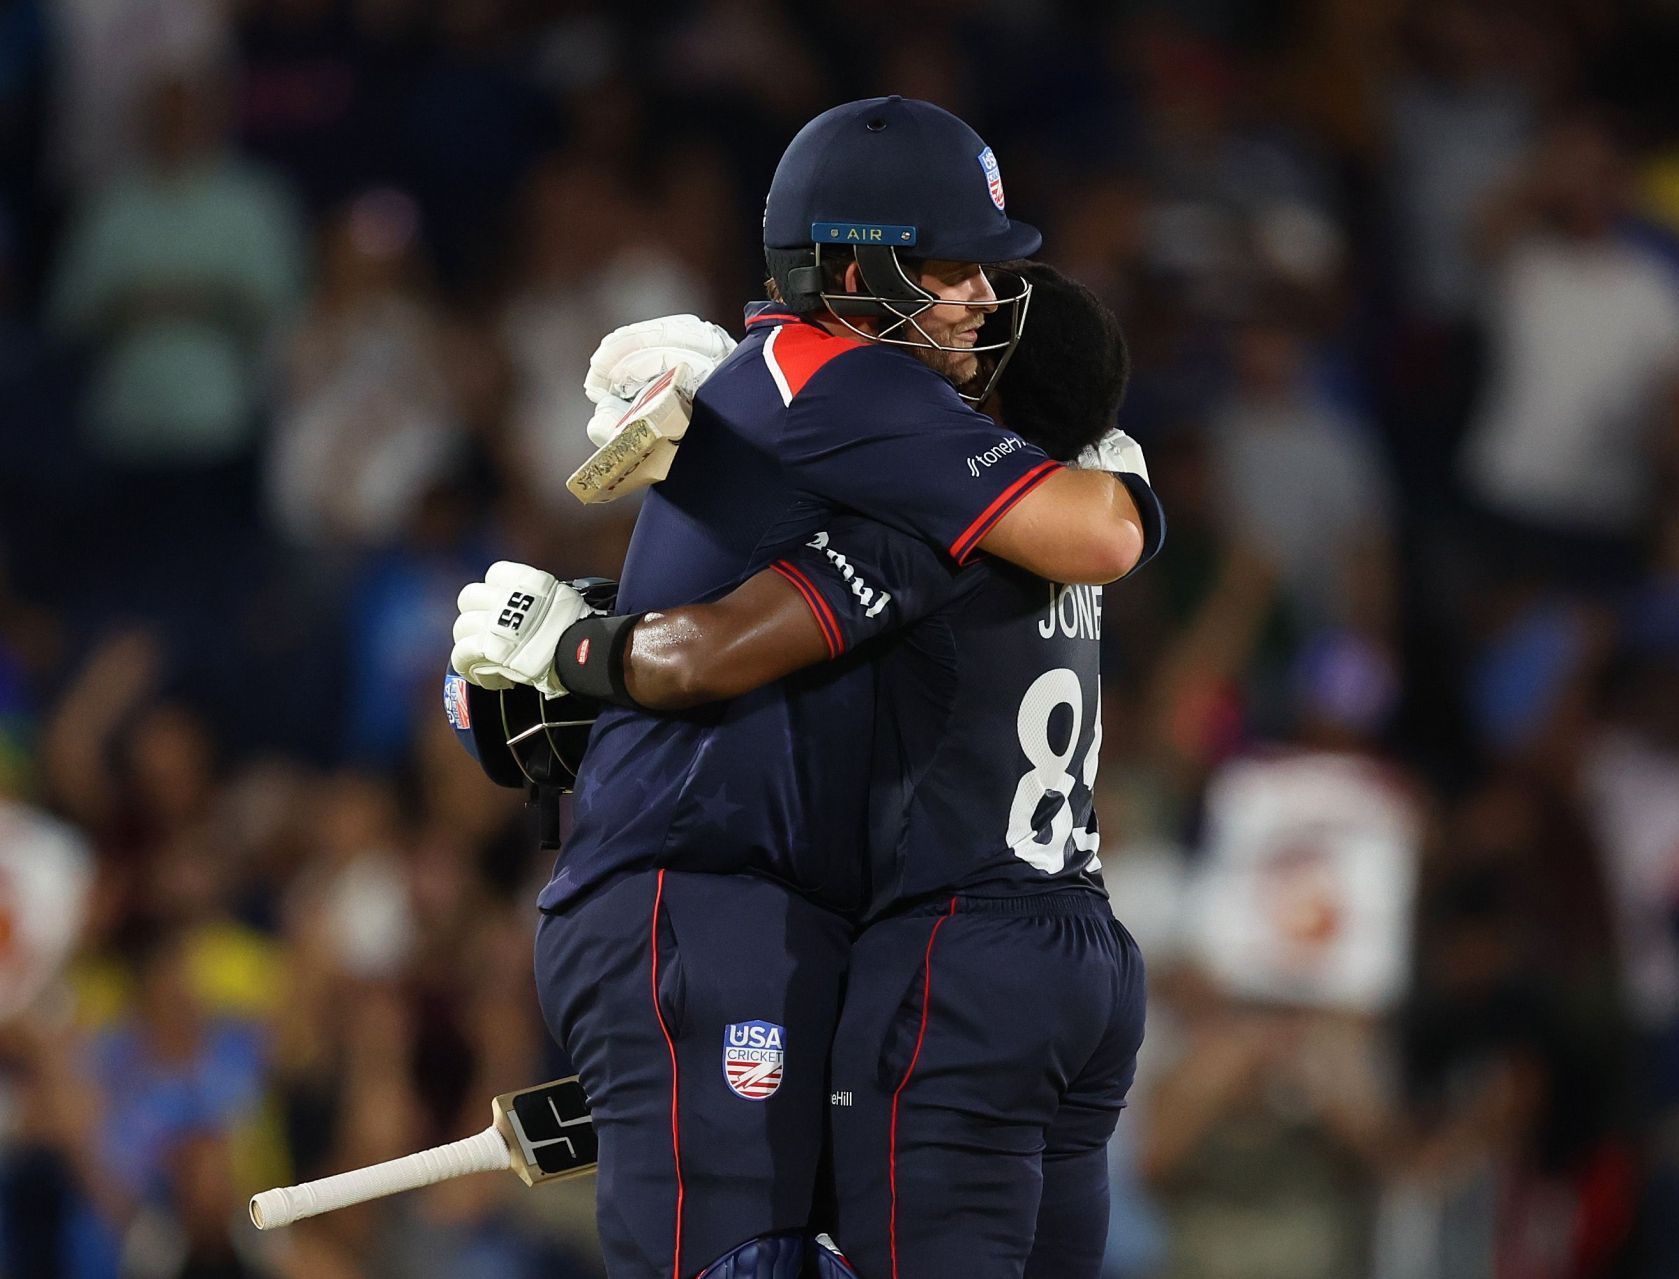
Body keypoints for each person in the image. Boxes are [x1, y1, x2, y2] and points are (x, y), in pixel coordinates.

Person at [449, 100, 1158, 1279]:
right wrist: (584, 652)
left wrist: (580, 647)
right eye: (952, 267)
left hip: (789, 906)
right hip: (708, 891)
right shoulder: (842, 384)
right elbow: (1098, 535)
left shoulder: (831, 400)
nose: (984, 296)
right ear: (848, 265)